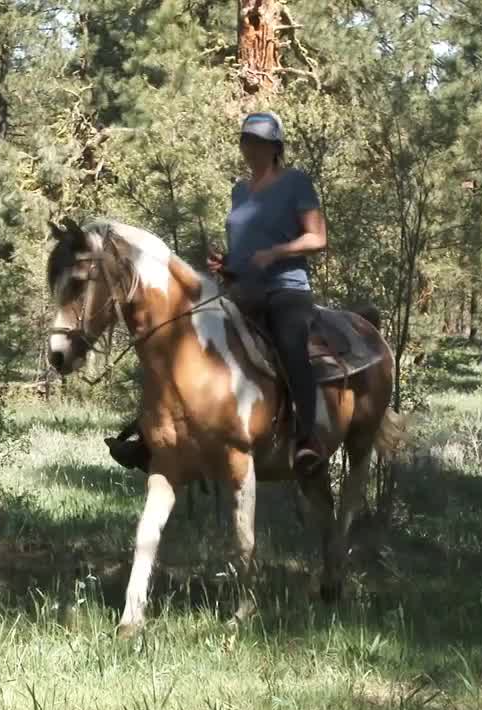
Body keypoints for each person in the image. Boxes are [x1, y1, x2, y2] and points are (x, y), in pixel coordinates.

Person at [106, 111, 329, 476]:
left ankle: (308, 439)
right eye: (246, 141)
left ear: (276, 148)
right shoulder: (240, 190)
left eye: (259, 142)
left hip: (286, 288)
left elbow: (317, 238)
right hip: (240, 290)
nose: (251, 148)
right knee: (180, 342)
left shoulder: (296, 183)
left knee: (290, 346)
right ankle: (153, 437)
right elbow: (247, 244)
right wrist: (227, 263)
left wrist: (276, 252)